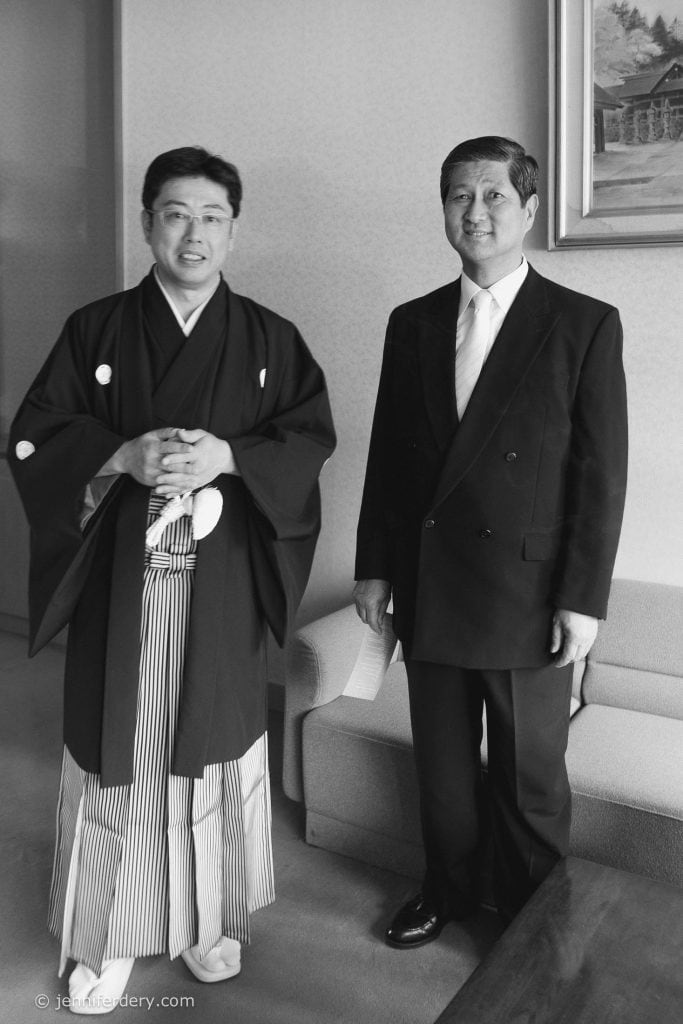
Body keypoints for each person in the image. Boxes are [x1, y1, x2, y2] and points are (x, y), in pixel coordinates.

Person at [9, 146, 335, 1011]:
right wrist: (121, 451)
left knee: (212, 754)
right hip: (123, 580)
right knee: (123, 748)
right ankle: (105, 937)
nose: (194, 234)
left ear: (234, 229)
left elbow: (306, 442)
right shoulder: (97, 330)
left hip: (219, 585)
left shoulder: (271, 339)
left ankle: (203, 921)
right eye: (176, 214)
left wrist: (229, 455)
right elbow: (36, 432)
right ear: (147, 222)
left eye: (212, 216)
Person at [353, 136, 627, 946]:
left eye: (493, 196)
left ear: (529, 210)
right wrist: (372, 569)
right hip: (431, 582)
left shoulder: (581, 324)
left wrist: (582, 598)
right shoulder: (412, 322)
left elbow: (599, 476)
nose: (475, 213)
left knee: (529, 776)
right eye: (458, 197)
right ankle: (446, 891)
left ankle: (535, 919)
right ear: (443, 209)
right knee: (440, 767)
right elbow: (387, 455)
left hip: (529, 591)